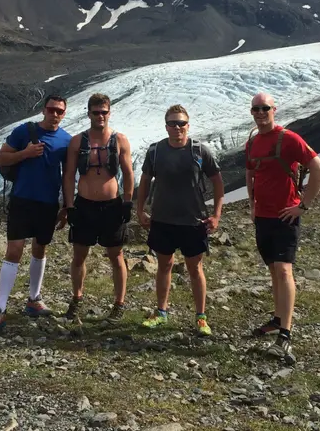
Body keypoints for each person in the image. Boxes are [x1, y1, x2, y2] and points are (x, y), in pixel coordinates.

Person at [246, 92, 320, 360]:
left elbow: (319, 169)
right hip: (263, 217)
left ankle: (286, 335)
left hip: (285, 216)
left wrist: (303, 206)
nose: (260, 113)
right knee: (273, 271)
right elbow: (251, 171)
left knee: (283, 271)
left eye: (264, 108)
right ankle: (278, 318)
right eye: (255, 109)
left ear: (274, 110)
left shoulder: (289, 139)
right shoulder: (253, 141)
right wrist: (252, 203)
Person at [0, 95, 71, 333]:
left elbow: (67, 175)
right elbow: (2, 158)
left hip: (48, 203)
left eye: (59, 111)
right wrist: (26, 153)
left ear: (64, 114)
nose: (55, 114)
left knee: (40, 247)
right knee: (14, 250)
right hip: (22, 200)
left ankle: (34, 299)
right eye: (51, 109)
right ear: (44, 110)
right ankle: (0, 308)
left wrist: (66, 205)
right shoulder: (24, 131)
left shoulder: (66, 140)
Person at [137, 104, 224, 336]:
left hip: (193, 220)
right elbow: (145, 180)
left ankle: (201, 317)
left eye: (181, 123)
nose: (177, 127)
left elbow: (217, 181)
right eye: (172, 123)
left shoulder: (199, 151)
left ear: (188, 125)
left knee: (195, 268)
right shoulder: (155, 151)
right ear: (166, 126)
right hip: (163, 219)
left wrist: (216, 214)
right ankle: (161, 312)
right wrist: (140, 209)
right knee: (164, 266)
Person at [63, 93, 134, 323]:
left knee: (116, 255)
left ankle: (119, 303)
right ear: (89, 113)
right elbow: (69, 175)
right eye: (96, 112)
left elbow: (129, 173)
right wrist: (70, 205)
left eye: (104, 112)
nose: (100, 116)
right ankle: (77, 298)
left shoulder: (119, 140)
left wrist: (127, 202)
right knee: (79, 254)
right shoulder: (78, 141)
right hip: (84, 206)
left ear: (109, 113)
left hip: (111, 206)